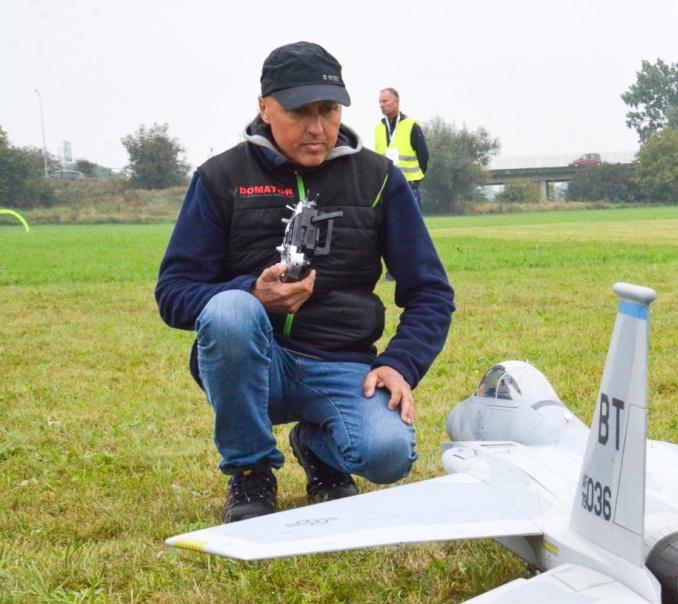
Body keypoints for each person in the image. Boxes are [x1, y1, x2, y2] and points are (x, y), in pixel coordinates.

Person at [155, 42, 455, 523]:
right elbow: (173, 292)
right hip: (256, 366)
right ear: (265, 107)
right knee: (232, 310)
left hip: (343, 364)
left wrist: (401, 363)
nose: (317, 128)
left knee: (387, 454)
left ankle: (316, 447)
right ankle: (251, 471)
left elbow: (431, 291)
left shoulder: (379, 179)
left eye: (328, 110)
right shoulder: (219, 178)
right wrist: (253, 294)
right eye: (299, 112)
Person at [374, 87, 429, 209]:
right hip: (387, 188)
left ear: (396, 102)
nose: (381, 105)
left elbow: (423, 156)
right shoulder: (378, 128)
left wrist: (415, 180)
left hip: (408, 186)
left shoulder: (411, 125)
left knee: (412, 221)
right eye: (380, 102)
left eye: (385, 101)